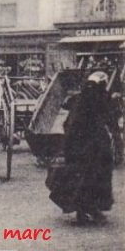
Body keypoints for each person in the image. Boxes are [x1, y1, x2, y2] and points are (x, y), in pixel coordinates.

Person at [59, 71, 115, 224]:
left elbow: (68, 122)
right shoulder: (100, 97)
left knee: (80, 176)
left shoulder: (78, 98)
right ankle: (92, 209)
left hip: (75, 144)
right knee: (96, 175)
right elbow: (109, 118)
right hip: (93, 145)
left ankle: (83, 210)